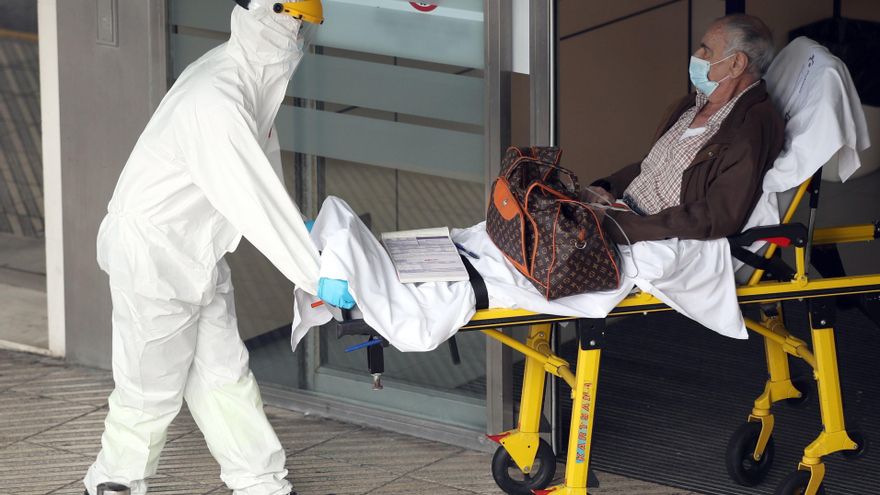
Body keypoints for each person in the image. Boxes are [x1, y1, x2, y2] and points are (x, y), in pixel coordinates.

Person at [83, 1, 324, 494]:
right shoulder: (217, 99)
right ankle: (114, 480)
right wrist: (315, 272)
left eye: (304, 27)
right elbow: (252, 199)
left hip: (196, 250)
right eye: (295, 23)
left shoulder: (245, 82)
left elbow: (262, 173)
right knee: (150, 387)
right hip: (154, 255)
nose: (298, 37)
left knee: (224, 374)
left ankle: (260, 480)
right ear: (270, 15)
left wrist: (299, 227)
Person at [586, 14, 784, 244]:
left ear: (736, 63)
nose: (696, 56)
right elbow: (653, 165)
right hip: (621, 217)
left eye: (706, 50)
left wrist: (621, 227)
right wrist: (606, 187)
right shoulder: (692, 104)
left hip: (652, 240)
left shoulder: (749, 129)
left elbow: (715, 216)